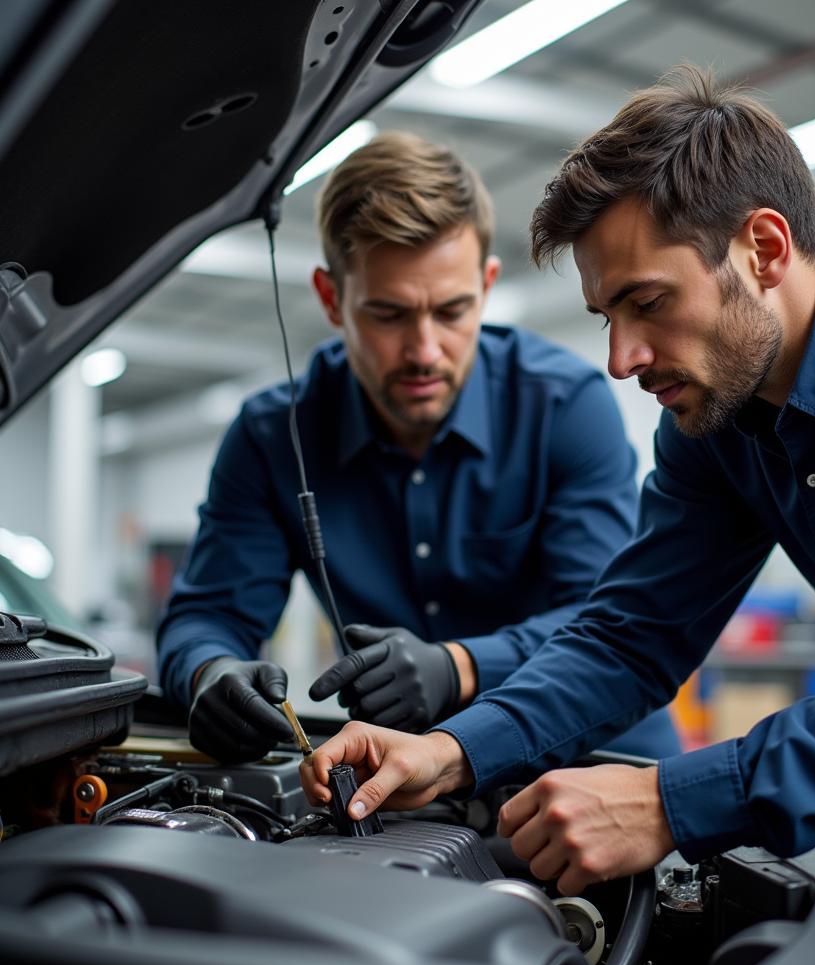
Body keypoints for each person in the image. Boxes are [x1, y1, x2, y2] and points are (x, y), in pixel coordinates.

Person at [301, 66, 815, 899]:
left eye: (648, 301)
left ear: (763, 248)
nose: (622, 359)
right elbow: (631, 636)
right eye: (609, 317)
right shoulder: (718, 419)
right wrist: (455, 750)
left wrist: (668, 801)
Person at [156, 131, 682, 765]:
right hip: (409, 782)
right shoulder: (274, 437)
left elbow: (605, 624)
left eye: (452, 311)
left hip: (597, 763)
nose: (425, 351)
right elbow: (209, 612)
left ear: (487, 286)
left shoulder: (564, 408)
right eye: (389, 314)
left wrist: (457, 666)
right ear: (331, 299)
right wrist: (210, 672)